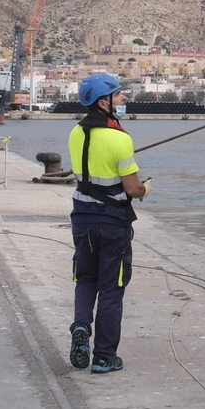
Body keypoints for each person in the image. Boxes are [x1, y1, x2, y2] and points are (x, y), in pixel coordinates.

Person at [66, 73, 149, 374]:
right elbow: (131, 188)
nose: (123, 99)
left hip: (82, 221)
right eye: (117, 95)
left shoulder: (76, 133)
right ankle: (104, 356)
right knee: (112, 288)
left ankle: (80, 326)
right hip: (113, 225)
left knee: (85, 280)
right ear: (104, 103)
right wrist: (145, 189)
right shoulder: (120, 138)